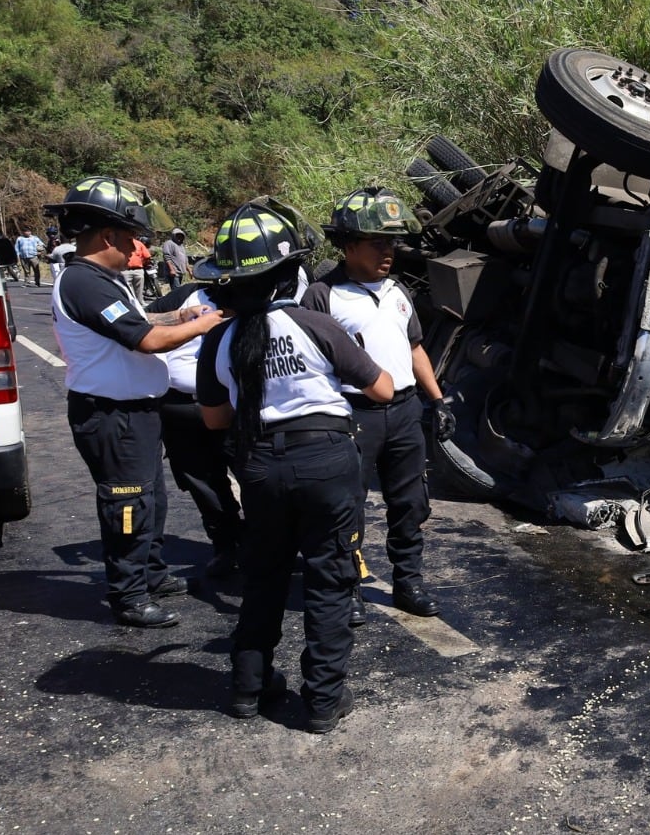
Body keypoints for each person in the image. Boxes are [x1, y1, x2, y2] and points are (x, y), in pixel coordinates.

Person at [194, 199, 393, 733]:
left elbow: (214, 419)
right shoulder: (315, 324)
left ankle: (246, 689)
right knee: (329, 580)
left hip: (259, 465)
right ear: (289, 273)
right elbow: (383, 386)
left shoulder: (220, 339)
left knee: (264, 577)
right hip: (326, 461)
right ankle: (324, 700)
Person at [47, 176, 226, 628]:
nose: (137, 248)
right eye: (131, 238)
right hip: (111, 415)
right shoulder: (84, 283)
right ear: (107, 236)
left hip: (136, 413)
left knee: (153, 499)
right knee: (128, 503)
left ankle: (150, 573)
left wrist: (179, 314)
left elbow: (142, 319)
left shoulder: (103, 279)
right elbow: (146, 339)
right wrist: (202, 326)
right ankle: (128, 595)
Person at [301, 186, 452, 626]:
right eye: (377, 243)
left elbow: (415, 349)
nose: (388, 252)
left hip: (405, 413)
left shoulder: (398, 291)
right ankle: (347, 588)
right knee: (346, 505)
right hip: (353, 415)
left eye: (391, 243)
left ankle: (409, 582)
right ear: (348, 247)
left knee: (410, 503)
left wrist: (437, 400)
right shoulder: (322, 296)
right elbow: (312, 362)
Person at [146, 278, 247, 579]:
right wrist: (180, 317)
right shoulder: (187, 294)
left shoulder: (254, 300)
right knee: (200, 480)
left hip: (235, 406)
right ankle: (226, 545)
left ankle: (266, 544)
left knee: (255, 476)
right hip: (181, 406)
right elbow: (141, 320)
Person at [123, 234, 152, 304]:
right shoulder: (121, 243)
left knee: (139, 288)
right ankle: (132, 304)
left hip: (138, 270)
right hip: (125, 271)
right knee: (128, 290)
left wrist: (142, 263)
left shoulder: (139, 244)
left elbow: (147, 256)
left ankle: (141, 303)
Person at [161, 227, 190, 292]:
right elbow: (167, 257)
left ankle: (175, 301)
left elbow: (185, 258)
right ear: (174, 236)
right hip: (174, 272)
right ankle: (175, 302)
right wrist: (171, 270)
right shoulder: (169, 243)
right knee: (177, 291)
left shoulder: (181, 246)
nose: (179, 238)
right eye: (177, 236)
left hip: (180, 272)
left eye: (181, 236)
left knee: (177, 290)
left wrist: (189, 270)